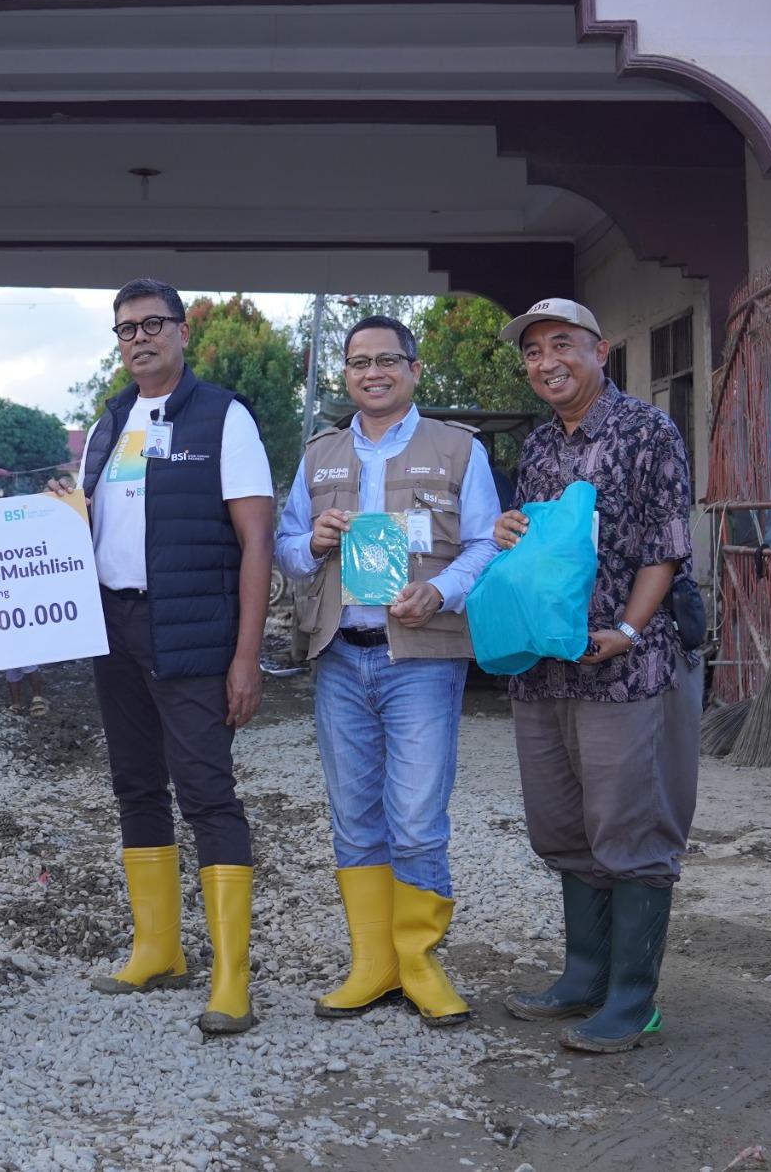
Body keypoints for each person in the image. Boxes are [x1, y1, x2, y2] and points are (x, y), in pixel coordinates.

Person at [56, 279, 274, 1036]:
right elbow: (88, 525)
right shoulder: (110, 420)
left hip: (193, 634)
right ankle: (158, 950)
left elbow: (256, 541)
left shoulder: (225, 417)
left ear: (183, 332)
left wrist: (246, 658)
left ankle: (231, 978)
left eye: (154, 324)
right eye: (126, 329)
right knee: (136, 788)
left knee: (208, 794)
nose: (140, 338)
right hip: (115, 630)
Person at [275, 315, 500, 1025]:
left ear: (413, 369)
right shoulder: (320, 455)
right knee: (355, 818)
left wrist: (442, 590)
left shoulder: (458, 449)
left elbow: (487, 543)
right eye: (358, 363)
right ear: (345, 374)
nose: (372, 373)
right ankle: (372, 966)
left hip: (422, 657)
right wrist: (312, 541)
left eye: (387, 361)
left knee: (417, 819)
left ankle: (420, 963)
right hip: (341, 655)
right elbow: (285, 548)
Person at [490, 298, 700, 1056]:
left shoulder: (647, 431)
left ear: (599, 350)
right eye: (533, 351)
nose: (547, 362)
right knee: (564, 825)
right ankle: (584, 975)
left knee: (631, 826)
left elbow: (666, 546)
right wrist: (507, 531)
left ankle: (633, 999)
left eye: (562, 345)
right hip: (548, 668)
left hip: (627, 667)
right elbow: (537, 549)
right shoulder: (540, 444)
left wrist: (630, 630)